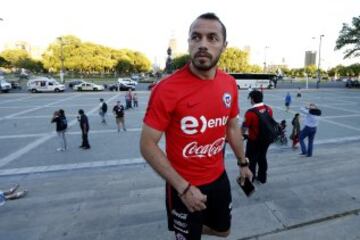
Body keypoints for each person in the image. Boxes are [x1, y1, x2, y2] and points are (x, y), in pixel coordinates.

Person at [140, 13, 252, 240]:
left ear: (224, 45)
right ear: (189, 42)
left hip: (218, 179)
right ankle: (187, 229)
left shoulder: (229, 84)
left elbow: (232, 128)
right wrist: (183, 188)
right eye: (196, 37)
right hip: (183, 185)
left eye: (212, 38)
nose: (202, 44)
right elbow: (147, 145)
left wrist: (243, 162)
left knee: (224, 231)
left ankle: (193, 227)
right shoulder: (166, 89)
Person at [242, 90, 273, 184]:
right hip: (266, 139)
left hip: (254, 141)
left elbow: (244, 128)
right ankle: (262, 178)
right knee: (262, 157)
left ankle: (250, 179)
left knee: (251, 160)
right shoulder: (269, 109)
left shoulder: (250, 113)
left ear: (252, 99)